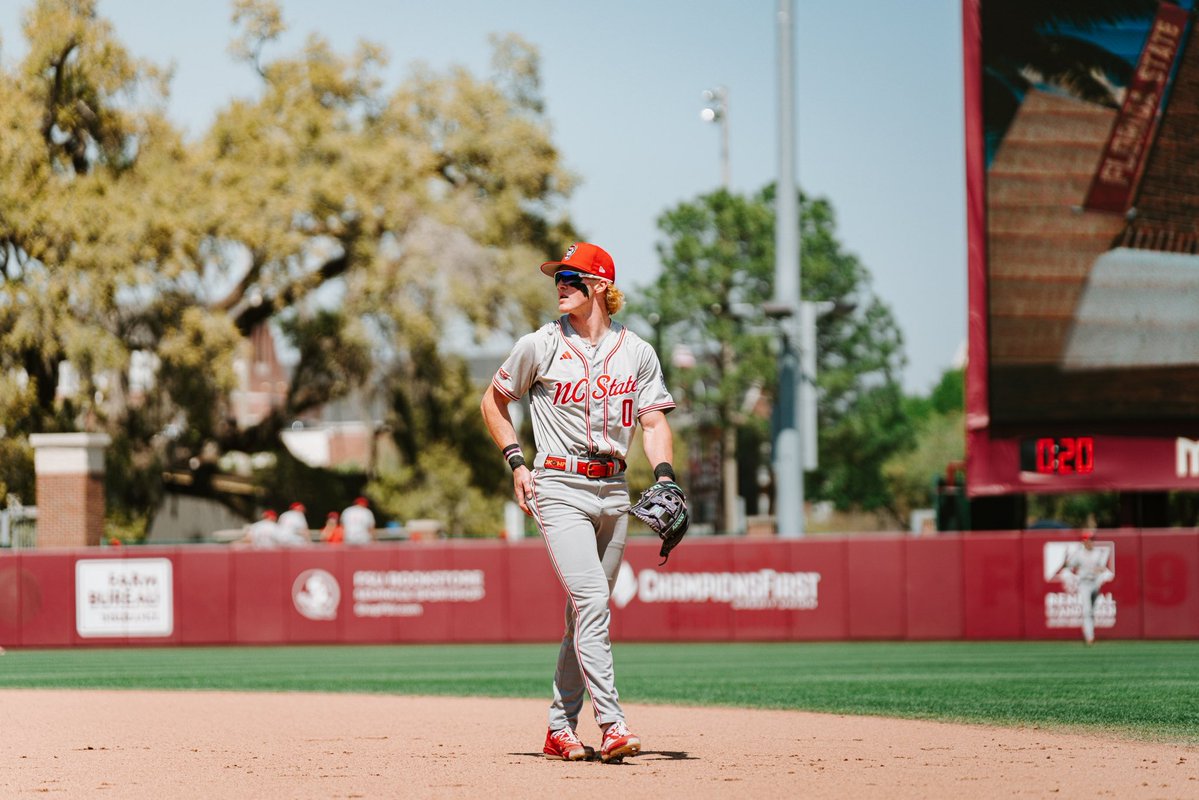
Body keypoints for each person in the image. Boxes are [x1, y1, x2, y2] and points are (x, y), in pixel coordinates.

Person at [480, 242, 680, 764]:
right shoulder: (540, 345)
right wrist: (516, 462)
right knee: (593, 602)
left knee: (582, 614)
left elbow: (654, 420)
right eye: (557, 279)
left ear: (599, 285)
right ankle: (612, 724)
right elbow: (493, 400)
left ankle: (559, 729)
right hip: (559, 485)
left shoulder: (637, 351)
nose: (560, 286)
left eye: (570, 277)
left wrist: (665, 475)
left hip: (616, 489)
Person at [1054, 530, 1113, 645]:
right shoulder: (1079, 554)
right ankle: (1089, 637)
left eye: (1092, 539)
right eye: (1088, 539)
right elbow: (1068, 564)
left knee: (1092, 610)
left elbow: (1102, 568)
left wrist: (1095, 570)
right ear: (1084, 541)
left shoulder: (1098, 553)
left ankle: (1090, 634)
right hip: (1084, 583)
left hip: (1095, 583)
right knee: (1087, 610)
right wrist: (1068, 562)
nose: (1091, 542)